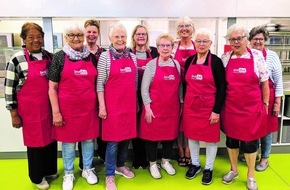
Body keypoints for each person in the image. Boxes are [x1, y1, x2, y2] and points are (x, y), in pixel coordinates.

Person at [4, 22, 58, 190]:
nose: (36, 40)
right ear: (24, 39)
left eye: (39, 36)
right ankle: (37, 177)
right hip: (30, 112)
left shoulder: (50, 57)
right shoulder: (17, 59)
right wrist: (14, 113)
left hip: (49, 109)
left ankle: (50, 170)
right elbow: (9, 88)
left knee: (50, 140)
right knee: (35, 144)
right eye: (31, 37)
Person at [48, 23, 100, 190]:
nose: (76, 38)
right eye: (72, 35)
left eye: (79, 34)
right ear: (66, 38)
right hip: (67, 111)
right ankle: (68, 173)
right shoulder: (59, 57)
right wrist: (56, 112)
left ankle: (87, 169)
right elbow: (52, 88)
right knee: (68, 143)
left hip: (89, 110)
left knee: (88, 140)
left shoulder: (91, 57)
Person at [220, 24, 269, 190]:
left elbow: (264, 83)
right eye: (232, 39)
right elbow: (221, 85)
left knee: (250, 143)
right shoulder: (225, 57)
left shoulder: (257, 56)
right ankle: (233, 170)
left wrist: (266, 104)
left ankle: (250, 175)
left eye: (239, 38)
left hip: (251, 109)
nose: (235, 42)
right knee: (231, 141)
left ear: (246, 39)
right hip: (231, 109)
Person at [183, 28, 226, 185]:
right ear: (195, 43)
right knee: (192, 136)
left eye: (205, 41)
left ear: (210, 43)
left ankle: (208, 168)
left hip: (209, 106)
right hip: (191, 106)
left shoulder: (215, 62)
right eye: (199, 41)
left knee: (210, 139)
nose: (201, 44)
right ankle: (195, 164)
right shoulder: (189, 61)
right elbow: (185, 84)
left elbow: (222, 87)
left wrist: (216, 111)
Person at [97, 22, 137, 190]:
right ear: (110, 39)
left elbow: (134, 83)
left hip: (128, 106)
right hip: (112, 107)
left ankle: (121, 165)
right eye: (116, 37)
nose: (120, 40)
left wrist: (135, 104)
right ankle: (110, 175)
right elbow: (99, 84)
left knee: (126, 138)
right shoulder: (105, 57)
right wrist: (102, 107)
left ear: (126, 38)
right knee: (113, 142)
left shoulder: (132, 56)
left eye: (122, 36)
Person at [139, 33, 183, 179]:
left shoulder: (176, 64)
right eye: (162, 45)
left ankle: (165, 161)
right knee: (151, 138)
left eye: (168, 45)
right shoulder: (152, 64)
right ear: (157, 47)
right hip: (154, 108)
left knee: (170, 137)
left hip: (172, 109)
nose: (165, 48)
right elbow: (144, 89)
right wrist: (148, 108)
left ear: (172, 47)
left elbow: (180, 87)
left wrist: (181, 103)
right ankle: (153, 164)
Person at [249, 25, 283, 171]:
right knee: (253, 128)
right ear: (250, 40)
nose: (258, 42)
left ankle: (265, 158)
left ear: (265, 40)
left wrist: (277, 103)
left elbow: (278, 80)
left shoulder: (271, 56)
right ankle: (253, 154)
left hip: (267, 96)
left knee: (267, 129)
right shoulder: (247, 55)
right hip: (251, 98)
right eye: (255, 39)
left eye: (261, 39)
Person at [77, 19, 107, 170]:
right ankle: (84, 164)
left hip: (101, 97)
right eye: (88, 31)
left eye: (94, 32)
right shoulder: (78, 53)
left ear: (98, 34)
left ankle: (103, 156)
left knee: (103, 129)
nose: (91, 34)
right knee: (84, 131)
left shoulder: (104, 53)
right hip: (83, 98)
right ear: (84, 33)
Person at [130, 24, 159, 169]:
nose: (141, 36)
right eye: (138, 34)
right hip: (133, 96)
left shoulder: (154, 52)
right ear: (134, 37)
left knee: (147, 127)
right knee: (135, 127)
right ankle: (138, 157)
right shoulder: (129, 53)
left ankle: (149, 158)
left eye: (144, 34)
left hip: (150, 96)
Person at [172, 17, 196, 166]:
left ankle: (189, 150)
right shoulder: (174, 46)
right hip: (175, 87)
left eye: (187, 25)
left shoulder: (197, 45)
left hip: (193, 88)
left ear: (192, 28)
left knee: (190, 120)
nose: (184, 28)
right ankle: (180, 150)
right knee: (177, 119)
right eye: (181, 26)